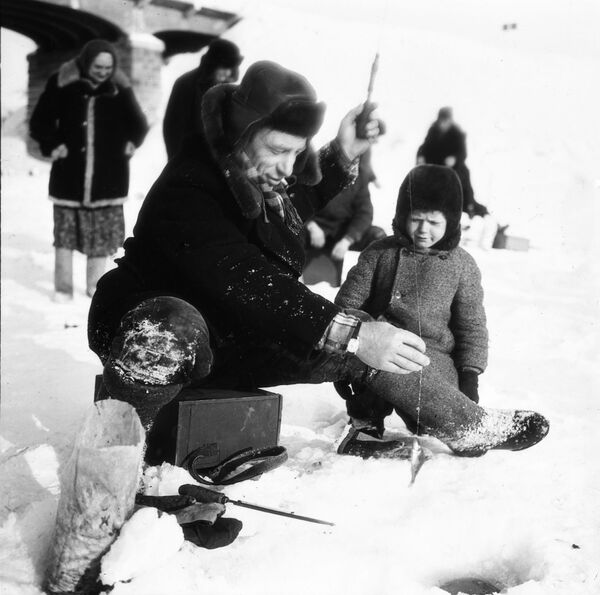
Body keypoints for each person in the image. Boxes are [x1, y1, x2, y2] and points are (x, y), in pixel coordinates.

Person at [88, 61, 548, 465]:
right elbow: (247, 276)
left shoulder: (248, 175)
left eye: (296, 152)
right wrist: (350, 332)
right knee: (175, 325)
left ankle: (467, 426)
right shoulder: (189, 187)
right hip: (153, 332)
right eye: (277, 150)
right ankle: (116, 459)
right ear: (240, 132)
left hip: (227, 335)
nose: (288, 168)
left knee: (372, 345)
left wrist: (342, 153)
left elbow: (284, 215)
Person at [334, 165, 489, 453]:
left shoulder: (461, 265)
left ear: (451, 222)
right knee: (371, 370)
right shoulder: (380, 253)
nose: (423, 230)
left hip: (432, 362)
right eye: (416, 219)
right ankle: (364, 428)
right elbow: (346, 306)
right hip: (378, 356)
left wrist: (470, 377)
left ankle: (467, 429)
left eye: (434, 222)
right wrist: (353, 347)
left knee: (436, 417)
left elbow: (472, 326)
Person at [30, 39, 149, 300]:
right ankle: (63, 290)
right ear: (86, 62)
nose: (103, 72)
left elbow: (139, 124)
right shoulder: (62, 83)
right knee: (65, 234)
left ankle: (95, 288)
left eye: (108, 67)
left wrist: (132, 141)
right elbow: (39, 122)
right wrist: (53, 145)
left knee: (101, 236)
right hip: (69, 173)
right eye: (98, 66)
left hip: (109, 176)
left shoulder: (120, 88)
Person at [303, 149, 386, 285]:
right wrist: (311, 226)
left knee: (377, 236)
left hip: (340, 231)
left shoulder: (359, 176)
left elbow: (365, 213)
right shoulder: (318, 167)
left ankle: (367, 284)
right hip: (313, 229)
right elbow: (298, 200)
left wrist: (348, 239)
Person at [163, 38, 243, 160]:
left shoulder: (228, 90)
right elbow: (172, 129)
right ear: (212, 65)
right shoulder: (185, 84)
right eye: (223, 67)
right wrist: (178, 163)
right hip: (189, 159)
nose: (227, 73)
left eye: (230, 68)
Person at [417, 107, 488, 218]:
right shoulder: (433, 130)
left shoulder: (458, 133)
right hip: (435, 165)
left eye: (446, 121)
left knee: (462, 180)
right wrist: (420, 156)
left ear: (450, 120)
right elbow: (424, 146)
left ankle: (470, 207)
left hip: (454, 167)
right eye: (441, 120)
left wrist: (454, 158)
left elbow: (462, 153)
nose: (443, 124)